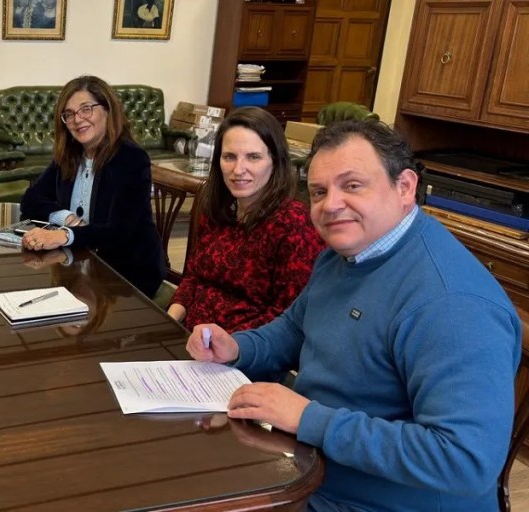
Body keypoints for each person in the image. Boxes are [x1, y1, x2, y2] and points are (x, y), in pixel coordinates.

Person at [186, 120, 522, 511]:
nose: (330, 205)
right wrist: (237, 348)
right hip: (307, 473)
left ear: (405, 188)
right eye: (318, 191)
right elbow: (295, 329)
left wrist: (311, 419)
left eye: (353, 185)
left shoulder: (452, 303)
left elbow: (465, 460)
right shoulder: (343, 254)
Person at [167, 107, 323, 332]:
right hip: (191, 339)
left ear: (275, 161)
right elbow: (194, 277)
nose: (238, 169)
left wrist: (223, 345)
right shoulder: (218, 208)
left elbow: (286, 317)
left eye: (253, 157)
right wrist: (170, 321)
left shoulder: (293, 223)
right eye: (229, 156)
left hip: (246, 354)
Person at [19, 75, 164, 297]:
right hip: (78, 265)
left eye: (86, 109)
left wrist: (65, 235)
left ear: (107, 110)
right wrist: (66, 219)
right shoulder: (69, 155)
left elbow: (119, 232)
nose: (77, 119)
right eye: (69, 114)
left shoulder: (131, 159)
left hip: (126, 275)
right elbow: (30, 200)